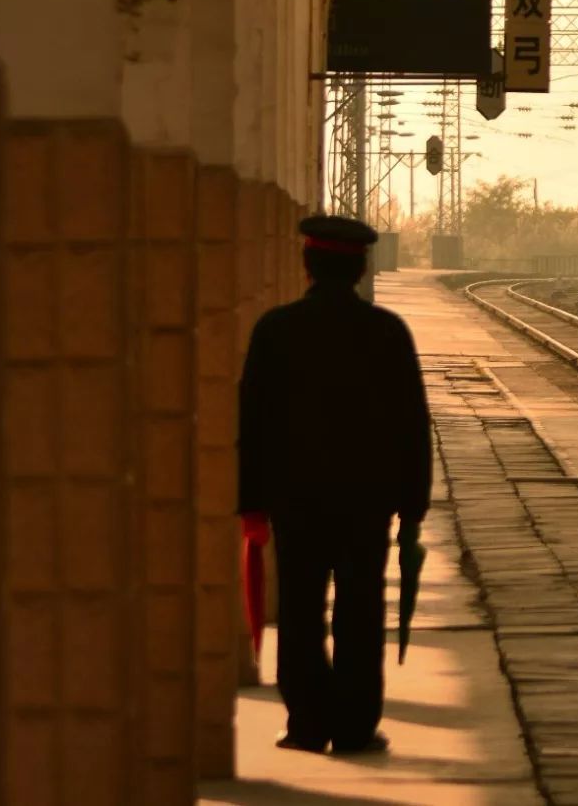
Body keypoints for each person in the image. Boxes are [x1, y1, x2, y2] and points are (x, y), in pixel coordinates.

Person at [237, 214, 432, 755]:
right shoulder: (387, 332)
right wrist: (413, 507)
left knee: (300, 610)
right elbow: (412, 425)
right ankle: (353, 726)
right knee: (360, 612)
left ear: (307, 265)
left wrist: (250, 503)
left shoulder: (275, 330)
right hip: (366, 503)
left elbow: (251, 423)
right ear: (361, 267)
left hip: (295, 501)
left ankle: (306, 723)